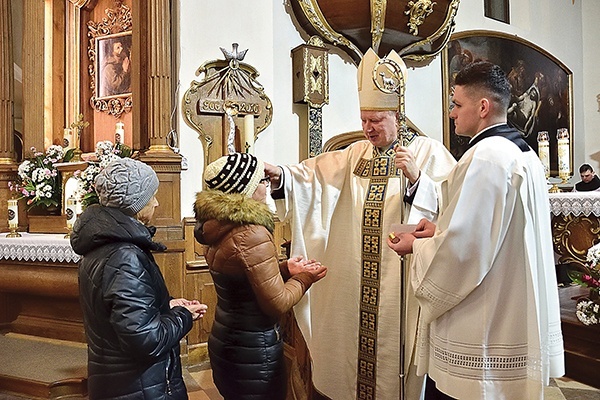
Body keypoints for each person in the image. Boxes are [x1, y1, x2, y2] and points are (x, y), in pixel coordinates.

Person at [263, 48, 456, 399]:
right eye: (364, 119)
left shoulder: (429, 153)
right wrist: (281, 177)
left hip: (404, 290)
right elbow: (314, 178)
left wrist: (417, 181)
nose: (368, 128)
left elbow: (452, 211)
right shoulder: (354, 154)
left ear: (398, 114)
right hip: (356, 287)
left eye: (377, 120)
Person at [387, 61, 565, 399]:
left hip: (484, 329)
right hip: (510, 313)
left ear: (482, 107)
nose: (452, 114)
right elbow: (496, 229)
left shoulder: (487, 157)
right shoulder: (519, 153)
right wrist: (439, 227)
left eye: (456, 104)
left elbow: (464, 250)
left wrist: (417, 246)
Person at [194, 152, 328, 400]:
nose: (267, 186)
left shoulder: (216, 225)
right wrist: (304, 278)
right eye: (262, 181)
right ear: (246, 188)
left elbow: (243, 279)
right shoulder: (251, 233)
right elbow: (276, 303)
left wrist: (285, 269)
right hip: (253, 352)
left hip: (228, 340)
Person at [71, 158, 208, 399]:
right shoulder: (124, 256)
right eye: (151, 196)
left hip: (122, 383)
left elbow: (121, 315)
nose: (156, 202)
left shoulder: (104, 243)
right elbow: (146, 340)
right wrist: (184, 316)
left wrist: (166, 305)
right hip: (139, 387)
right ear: (135, 203)